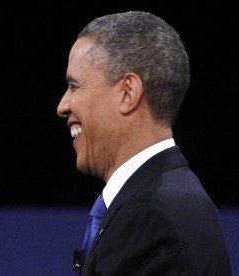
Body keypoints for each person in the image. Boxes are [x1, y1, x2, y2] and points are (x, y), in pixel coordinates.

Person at [57, 11, 232, 275]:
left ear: (128, 93)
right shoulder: (161, 198)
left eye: (74, 86)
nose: (62, 106)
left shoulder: (152, 216)